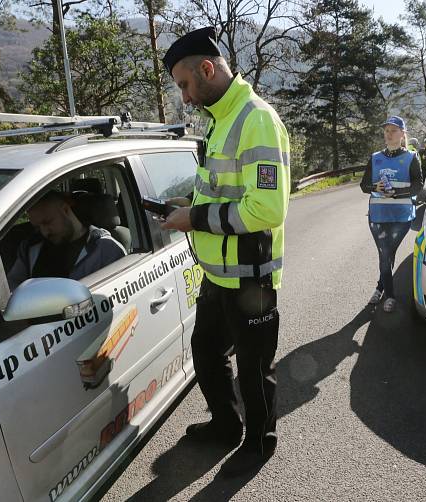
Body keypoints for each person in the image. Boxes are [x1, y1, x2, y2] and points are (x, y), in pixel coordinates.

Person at [160, 26, 290, 477]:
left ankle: (257, 444)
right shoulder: (222, 120)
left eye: (184, 85)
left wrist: (194, 219)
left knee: (254, 370)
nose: (185, 97)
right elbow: (223, 192)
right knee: (205, 351)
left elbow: (265, 208)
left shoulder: (255, 119)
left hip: (251, 277)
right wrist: (188, 207)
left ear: (208, 69)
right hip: (218, 274)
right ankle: (226, 425)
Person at [361, 116, 422, 312]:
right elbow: (364, 185)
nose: (389, 134)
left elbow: (418, 186)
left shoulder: (411, 158)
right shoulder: (375, 157)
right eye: (386, 130)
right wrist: (374, 186)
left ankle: (383, 291)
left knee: (387, 253)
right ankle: (387, 294)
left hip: (401, 217)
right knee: (385, 254)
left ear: (403, 134)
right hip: (377, 216)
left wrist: (396, 193)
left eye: (394, 130)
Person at [6, 190, 126, 289]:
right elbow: (13, 287)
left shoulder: (106, 249)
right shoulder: (30, 247)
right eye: (38, 227)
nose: (44, 232)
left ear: (65, 209)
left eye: (47, 222)